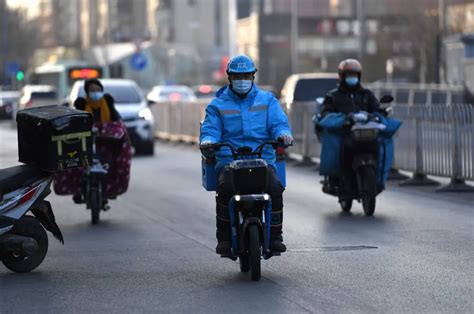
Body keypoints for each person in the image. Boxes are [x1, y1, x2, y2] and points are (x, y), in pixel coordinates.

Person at [200, 54, 293, 255]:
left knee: (275, 189)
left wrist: (283, 135)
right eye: (237, 76)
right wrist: (208, 140)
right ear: (229, 78)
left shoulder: (267, 100)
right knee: (224, 191)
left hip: (262, 160)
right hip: (229, 161)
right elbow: (210, 129)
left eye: (246, 76)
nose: (242, 80)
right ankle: (224, 239)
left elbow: (278, 123)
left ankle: (276, 236)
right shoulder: (217, 105)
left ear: (253, 77)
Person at [53, 78, 131, 203]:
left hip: (105, 143)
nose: (96, 93)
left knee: (118, 153)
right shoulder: (81, 104)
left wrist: (110, 128)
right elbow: (75, 121)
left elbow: (117, 121)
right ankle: (77, 189)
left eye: (98, 90)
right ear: (87, 92)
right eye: (92, 90)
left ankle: (110, 189)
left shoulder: (108, 103)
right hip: (86, 142)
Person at [320, 59, 380, 195]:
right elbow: (326, 112)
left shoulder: (367, 94)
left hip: (366, 133)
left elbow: (376, 108)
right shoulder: (333, 96)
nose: (352, 78)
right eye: (349, 75)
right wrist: (343, 118)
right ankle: (343, 179)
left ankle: (377, 179)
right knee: (344, 150)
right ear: (342, 76)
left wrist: (377, 114)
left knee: (378, 145)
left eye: (355, 75)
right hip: (346, 134)